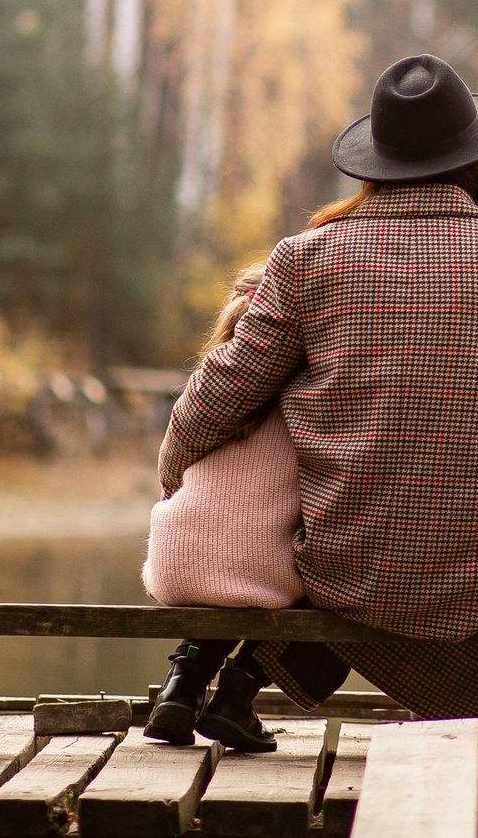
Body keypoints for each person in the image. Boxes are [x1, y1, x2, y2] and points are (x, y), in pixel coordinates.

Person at [150, 54, 478, 742]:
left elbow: (218, 398)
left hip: (349, 568)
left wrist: (176, 478)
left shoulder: (305, 259)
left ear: (375, 162)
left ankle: (225, 679)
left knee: (299, 486)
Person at [139, 265, 349, 750]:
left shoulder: (205, 391)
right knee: (340, 585)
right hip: (258, 571)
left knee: (228, 583)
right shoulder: (308, 400)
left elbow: (170, 470)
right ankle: (237, 695)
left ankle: (182, 685)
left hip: (173, 563)